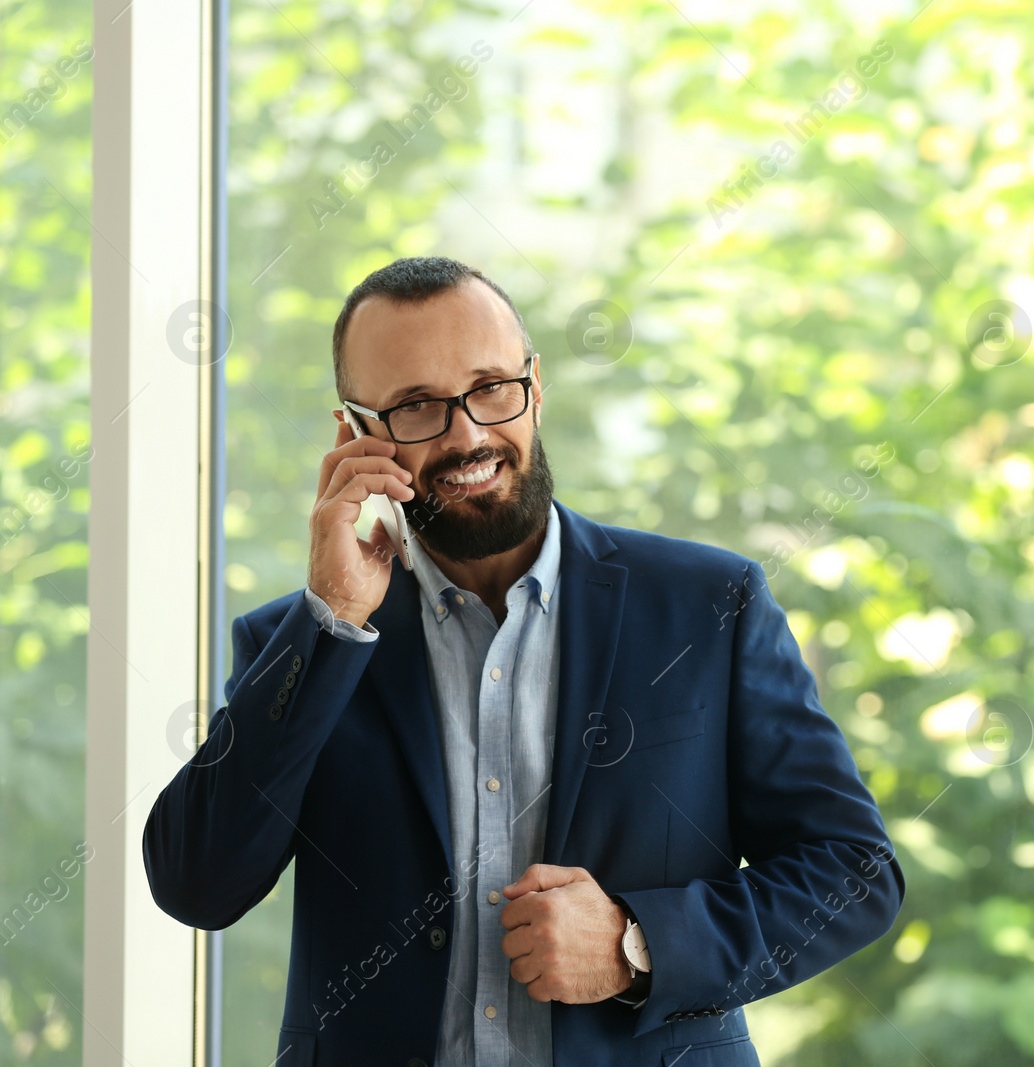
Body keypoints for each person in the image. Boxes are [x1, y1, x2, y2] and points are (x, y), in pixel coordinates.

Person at [144, 256, 904, 1066]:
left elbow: (853, 872)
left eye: (491, 387)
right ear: (358, 435)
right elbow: (198, 882)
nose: (468, 433)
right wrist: (328, 620)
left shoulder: (709, 605)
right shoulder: (303, 644)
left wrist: (637, 943)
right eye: (416, 407)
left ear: (535, 386)